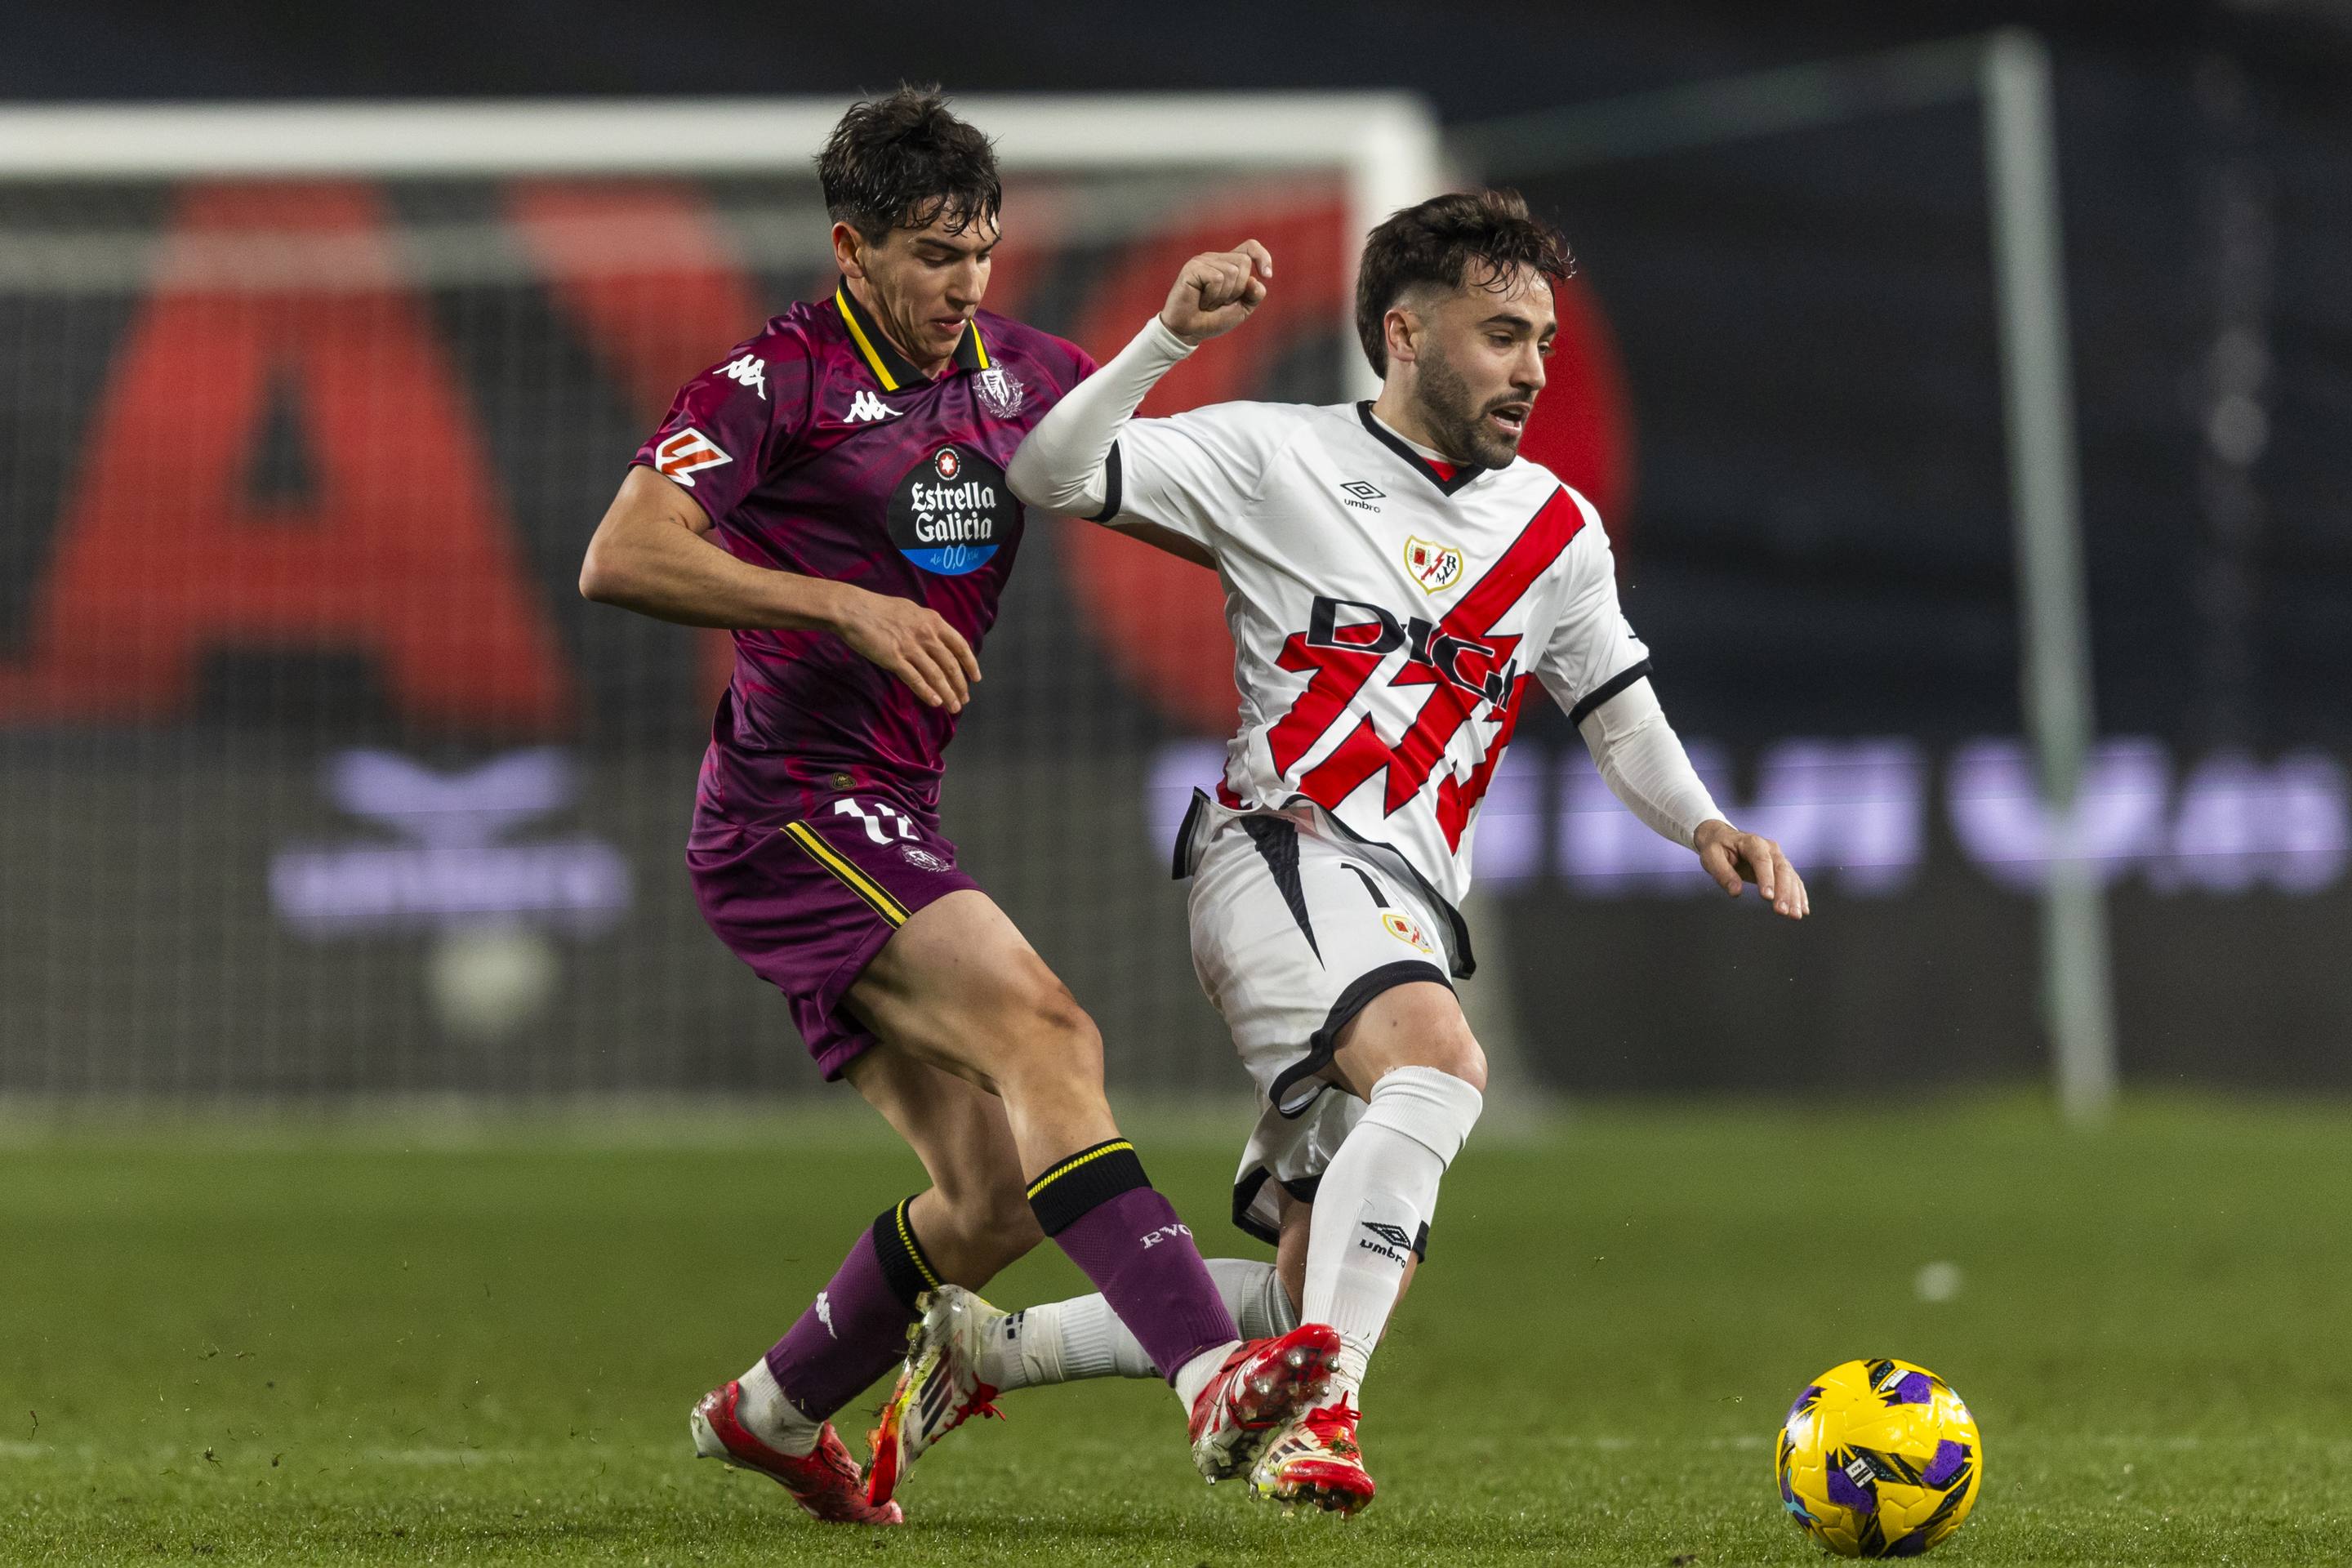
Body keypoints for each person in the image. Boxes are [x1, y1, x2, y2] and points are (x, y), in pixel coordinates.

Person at [866, 189, 1806, 1515]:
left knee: (1318, 1282)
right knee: (1443, 1066)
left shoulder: (1556, 531)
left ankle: (990, 1346)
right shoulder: (1275, 458)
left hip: (1410, 906)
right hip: (1284, 856)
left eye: (1540, 338)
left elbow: (1615, 710)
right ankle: (1323, 1420)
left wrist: (1706, 820)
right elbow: (1048, 473)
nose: (1534, 369)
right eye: (1501, 335)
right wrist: (1162, 343)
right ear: (1406, 335)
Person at [577, 86, 1339, 1527]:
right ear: (851, 247)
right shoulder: (776, 381)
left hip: (890, 812)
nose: (963, 285)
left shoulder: (1020, 374)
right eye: (934, 255)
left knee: (990, 1197)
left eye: (980, 252)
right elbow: (621, 555)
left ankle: (771, 1410)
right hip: (789, 810)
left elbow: (1156, 458)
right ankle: (1212, 1381)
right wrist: (841, 607)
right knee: (1049, 1029)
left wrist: (1176, 330)